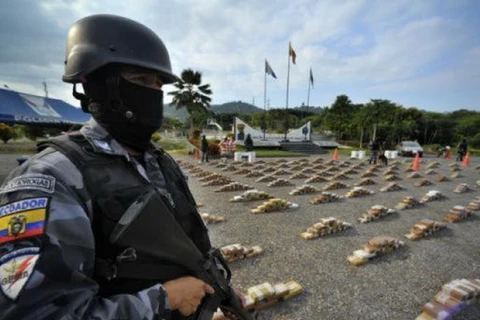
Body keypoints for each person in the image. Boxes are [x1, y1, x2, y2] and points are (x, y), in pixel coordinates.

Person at [0, 14, 245, 320]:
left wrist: (222, 289)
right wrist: (163, 299)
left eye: (158, 84)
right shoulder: (51, 178)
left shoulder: (161, 162)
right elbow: (34, 313)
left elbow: (189, 247)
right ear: (97, 84)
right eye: (141, 81)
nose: (153, 93)